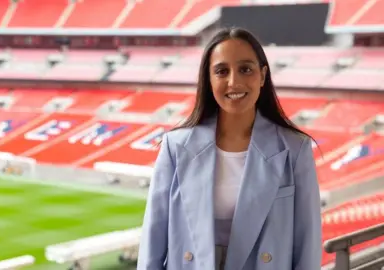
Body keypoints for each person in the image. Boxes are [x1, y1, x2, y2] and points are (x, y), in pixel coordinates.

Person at [137, 27, 322, 270]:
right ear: (209, 78)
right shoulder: (176, 147)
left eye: (245, 69)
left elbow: (307, 246)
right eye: (222, 71)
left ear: (263, 76)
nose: (234, 82)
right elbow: (153, 240)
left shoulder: (295, 149)